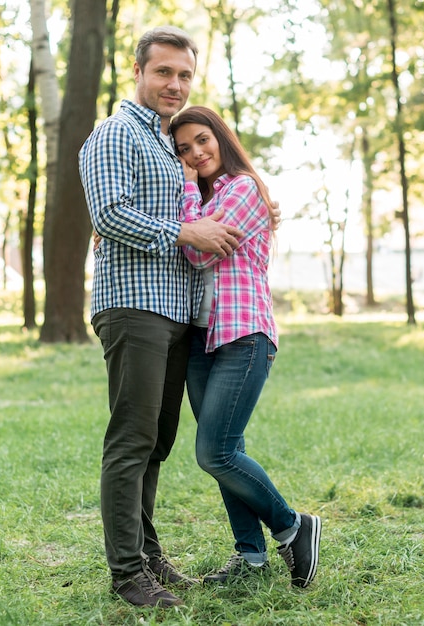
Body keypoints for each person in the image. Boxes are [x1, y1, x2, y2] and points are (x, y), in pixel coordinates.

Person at [79, 27, 245, 608]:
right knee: (131, 440)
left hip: (177, 312)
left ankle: (148, 558)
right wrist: (182, 231)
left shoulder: (166, 142)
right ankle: (128, 575)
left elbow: (204, 205)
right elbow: (110, 212)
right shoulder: (114, 134)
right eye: (164, 72)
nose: (174, 84)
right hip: (134, 307)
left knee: (156, 444)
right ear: (138, 71)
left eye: (184, 75)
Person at [170, 105, 322, 589]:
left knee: (214, 452)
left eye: (201, 140)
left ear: (221, 137)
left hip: (243, 334)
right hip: (201, 337)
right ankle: (250, 556)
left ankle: (292, 526)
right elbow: (189, 239)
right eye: (184, 150)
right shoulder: (208, 196)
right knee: (227, 449)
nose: (196, 153)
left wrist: (188, 195)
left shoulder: (241, 189)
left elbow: (197, 248)